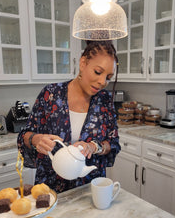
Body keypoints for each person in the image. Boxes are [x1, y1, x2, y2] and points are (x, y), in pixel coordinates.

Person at [17, 40, 121, 193]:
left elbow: (113, 143)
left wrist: (94, 146)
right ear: (83, 63)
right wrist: (36, 139)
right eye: (98, 72)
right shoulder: (50, 94)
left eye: (108, 77)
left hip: (89, 190)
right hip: (50, 189)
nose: (102, 82)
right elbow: (24, 135)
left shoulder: (105, 100)